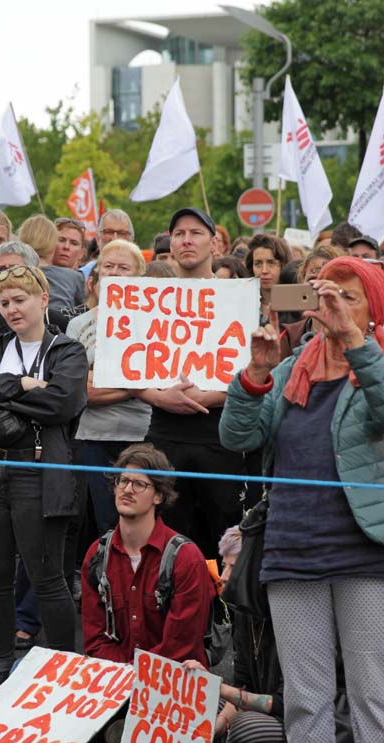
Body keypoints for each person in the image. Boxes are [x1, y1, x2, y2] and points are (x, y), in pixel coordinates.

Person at [220, 256, 384, 743]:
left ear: (375, 310)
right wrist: (256, 375)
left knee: (372, 696)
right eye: (325, 295)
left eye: (349, 297)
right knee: (307, 697)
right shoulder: (291, 371)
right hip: (293, 550)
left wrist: (356, 339)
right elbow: (237, 437)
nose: (332, 306)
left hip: (371, 553)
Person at [0, 263, 87, 702]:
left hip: (39, 472)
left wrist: (1, 389)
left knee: (46, 576)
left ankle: (63, 669)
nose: (12, 308)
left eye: (20, 300)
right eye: (6, 301)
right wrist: (23, 385)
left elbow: (63, 403)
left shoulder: (66, 349)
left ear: (44, 300)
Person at [135, 208, 243, 557]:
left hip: (219, 438)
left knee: (223, 537)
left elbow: (251, 375)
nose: (186, 240)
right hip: (165, 434)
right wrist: (160, 398)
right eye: (179, 233)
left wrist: (206, 398)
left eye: (195, 233)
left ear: (214, 243)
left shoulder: (238, 297)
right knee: (167, 537)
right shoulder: (149, 298)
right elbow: (128, 367)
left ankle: (225, 611)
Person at [81, 443, 214, 665]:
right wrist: (126, 676)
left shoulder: (185, 557)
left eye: (139, 484)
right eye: (122, 481)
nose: (127, 489)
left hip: (172, 686)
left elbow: (181, 645)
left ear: (159, 496)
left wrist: (136, 675)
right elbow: (95, 640)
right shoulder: (97, 553)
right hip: (117, 681)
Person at [66, 240, 152, 536]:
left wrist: (105, 378)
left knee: (141, 522)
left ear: (138, 277)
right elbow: (80, 392)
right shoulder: (77, 326)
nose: (115, 274)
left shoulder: (154, 323)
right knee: (106, 521)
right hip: (95, 437)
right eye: (109, 267)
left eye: (123, 268)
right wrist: (137, 386)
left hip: (143, 434)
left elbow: (159, 376)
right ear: (96, 277)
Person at [18, 214, 86, 315]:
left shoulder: (82, 279)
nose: (66, 247)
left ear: (82, 253)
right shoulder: (18, 272)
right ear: (50, 242)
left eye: (74, 243)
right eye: (61, 240)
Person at [80, 210, 136, 280]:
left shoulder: (144, 277)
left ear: (131, 240)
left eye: (122, 233)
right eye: (109, 232)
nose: (115, 238)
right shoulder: (81, 277)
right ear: (97, 239)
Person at [248, 233, 289, 314]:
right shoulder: (244, 305)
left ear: (283, 265)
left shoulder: (295, 304)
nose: (264, 270)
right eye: (258, 264)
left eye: (271, 263)